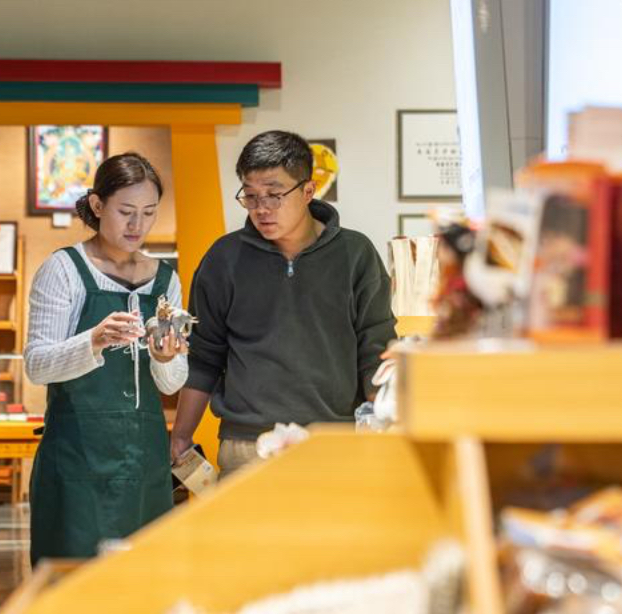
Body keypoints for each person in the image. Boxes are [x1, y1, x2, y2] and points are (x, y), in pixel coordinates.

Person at [169, 130, 397, 476]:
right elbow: (204, 356)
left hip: (334, 441)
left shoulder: (355, 254)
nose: (261, 209)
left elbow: (375, 348)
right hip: (247, 445)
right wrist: (181, 435)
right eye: (250, 196)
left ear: (308, 191)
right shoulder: (224, 258)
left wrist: (385, 427)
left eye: (274, 195)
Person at [24, 153, 189, 566]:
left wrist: (164, 358)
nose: (137, 225)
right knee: (73, 580)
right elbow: (37, 364)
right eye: (125, 211)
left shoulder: (166, 279)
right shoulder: (63, 270)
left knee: (144, 579)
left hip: (145, 459)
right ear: (98, 206)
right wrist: (93, 341)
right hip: (77, 459)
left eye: (149, 213)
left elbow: (171, 383)